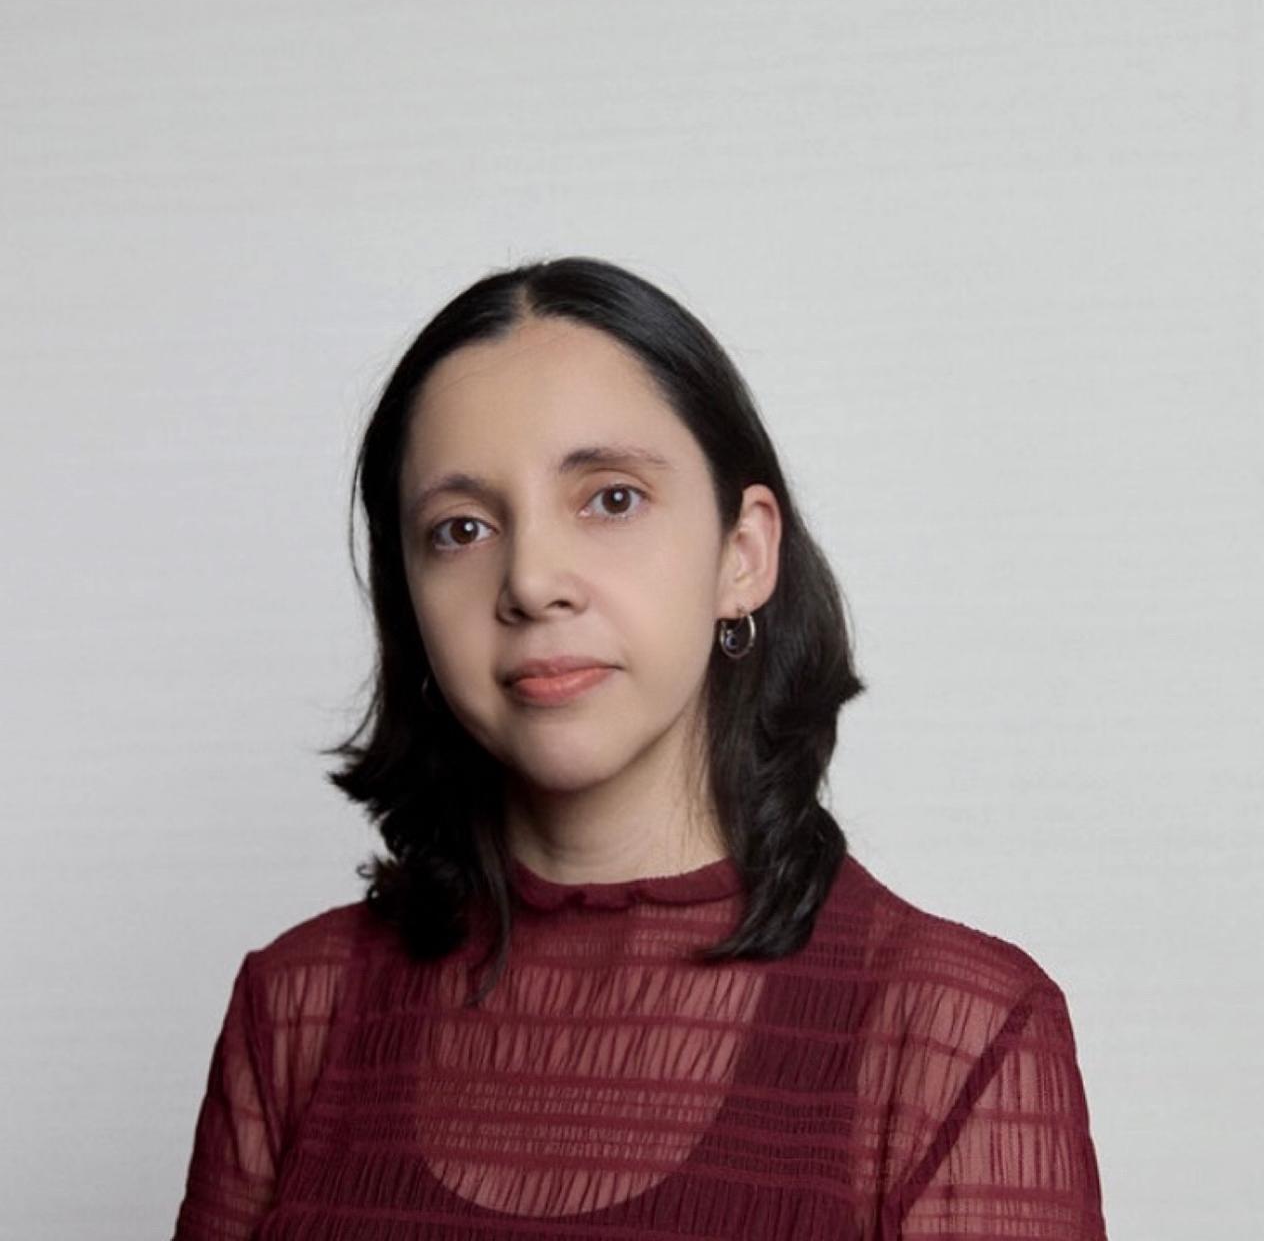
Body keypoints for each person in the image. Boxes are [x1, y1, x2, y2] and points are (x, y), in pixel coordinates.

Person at [171, 257, 1108, 1239]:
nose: (531, 579)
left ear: (741, 554)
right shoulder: (294, 1011)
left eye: (610, 498)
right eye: (460, 527)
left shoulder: (951, 1036)